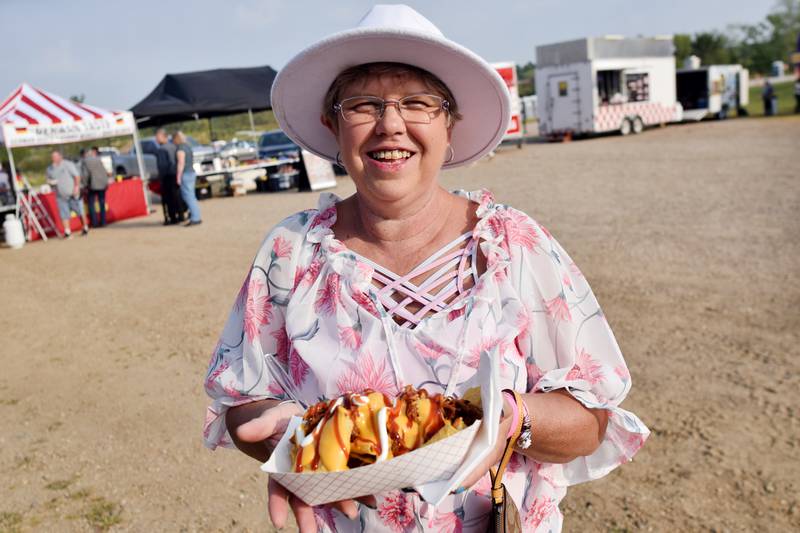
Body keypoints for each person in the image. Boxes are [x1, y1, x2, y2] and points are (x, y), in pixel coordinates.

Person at [203, 5, 649, 532]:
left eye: (417, 104)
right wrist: (287, 443)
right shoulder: (291, 251)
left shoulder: (513, 245)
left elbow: (591, 421)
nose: (391, 125)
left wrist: (512, 418)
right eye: (363, 105)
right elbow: (242, 401)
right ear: (332, 126)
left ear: (448, 125)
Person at [46, 150, 88, 238]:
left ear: (60, 157)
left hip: (72, 193)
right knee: (64, 214)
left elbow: (77, 176)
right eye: (52, 157)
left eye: (55, 156)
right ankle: (67, 231)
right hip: (60, 195)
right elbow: (48, 179)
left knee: (80, 211)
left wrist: (76, 187)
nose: (53, 159)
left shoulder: (68, 164)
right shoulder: (50, 168)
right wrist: (50, 182)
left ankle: (85, 227)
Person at [173, 131, 202, 226]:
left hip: (185, 174)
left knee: (188, 196)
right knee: (191, 196)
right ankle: (195, 215)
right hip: (191, 172)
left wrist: (178, 176)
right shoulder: (188, 146)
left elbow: (181, 163)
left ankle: (195, 218)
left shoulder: (180, 148)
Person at [154, 128, 183, 225]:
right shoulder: (174, 146)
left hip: (167, 176)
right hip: (175, 174)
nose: (156, 139)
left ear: (163, 136)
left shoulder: (162, 149)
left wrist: (161, 177)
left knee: (169, 198)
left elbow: (162, 166)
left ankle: (172, 217)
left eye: (157, 137)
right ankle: (181, 215)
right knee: (177, 196)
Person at [80, 147, 112, 227]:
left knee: (91, 204)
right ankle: (103, 221)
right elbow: (104, 170)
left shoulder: (85, 161)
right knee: (102, 203)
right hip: (102, 184)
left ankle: (95, 222)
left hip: (93, 185)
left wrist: (84, 185)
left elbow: (85, 175)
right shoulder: (98, 159)